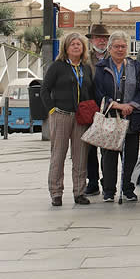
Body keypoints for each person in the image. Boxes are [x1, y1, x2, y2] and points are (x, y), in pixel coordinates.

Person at [41, 31, 94, 207]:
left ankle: (79, 192)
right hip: (61, 115)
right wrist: (52, 110)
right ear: (66, 47)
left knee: (80, 156)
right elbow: (44, 90)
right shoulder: (57, 66)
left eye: (79, 44)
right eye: (73, 44)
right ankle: (56, 192)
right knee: (58, 155)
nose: (76, 46)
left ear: (83, 47)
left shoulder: (86, 67)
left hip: (81, 117)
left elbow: (90, 90)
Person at [93, 31, 140, 203]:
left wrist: (131, 106)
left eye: (123, 46)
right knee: (108, 156)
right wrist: (115, 105)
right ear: (110, 48)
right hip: (110, 117)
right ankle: (108, 190)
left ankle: (128, 189)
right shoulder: (101, 67)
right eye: (116, 46)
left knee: (130, 156)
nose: (120, 49)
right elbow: (97, 92)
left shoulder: (136, 66)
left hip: (131, 117)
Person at [84, 24, 111, 195]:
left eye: (105, 38)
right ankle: (92, 181)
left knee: (108, 149)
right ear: (91, 40)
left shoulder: (113, 55)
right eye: (98, 37)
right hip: (90, 107)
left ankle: (107, 181)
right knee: (89, 149)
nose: (102, 40)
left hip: (109, 108)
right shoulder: (85, 59)